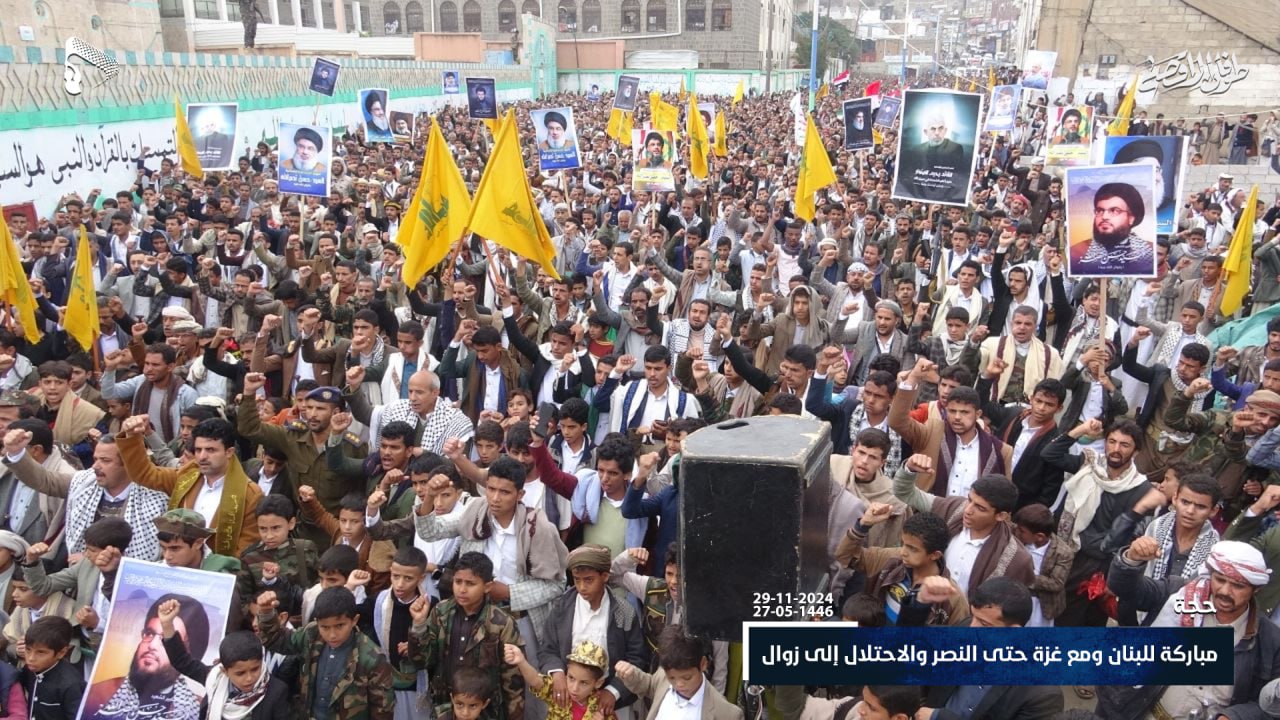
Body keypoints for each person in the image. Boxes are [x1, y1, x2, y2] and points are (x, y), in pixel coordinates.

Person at [256, 586, 395, 720]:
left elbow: (382, 710)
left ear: (354, 620)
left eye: (339, 625)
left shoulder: (372, 658)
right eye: (325, 627)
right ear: (317, 622)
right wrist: (266, 613)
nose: (332, 635)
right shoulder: (311, 634)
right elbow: (276, 640)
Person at [81, 593, 211, 720]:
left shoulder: (199, 708)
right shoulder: (101, 692)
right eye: (149, 634)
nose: (152, 645)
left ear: (188, 653)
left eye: (165, 639)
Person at [613, 625, 743, 720]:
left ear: (703, 664)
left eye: (687, 677)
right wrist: (631, 675)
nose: (679, 684)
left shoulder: (726, 713)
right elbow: (650, 686)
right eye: (672, 678)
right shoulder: (663, 676)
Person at [1070, 183, 1155, 276]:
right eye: (1100, 210)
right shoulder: (1076, 253)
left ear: (1131, 218)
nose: (1104, 216)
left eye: (1114, 210)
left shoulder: (1152, 251)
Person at [19, 616, 83, 720]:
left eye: (40, 652)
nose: (30, 658)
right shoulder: (31, 669)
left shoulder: (71, 684)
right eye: (28, 649)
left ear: (61, 653)